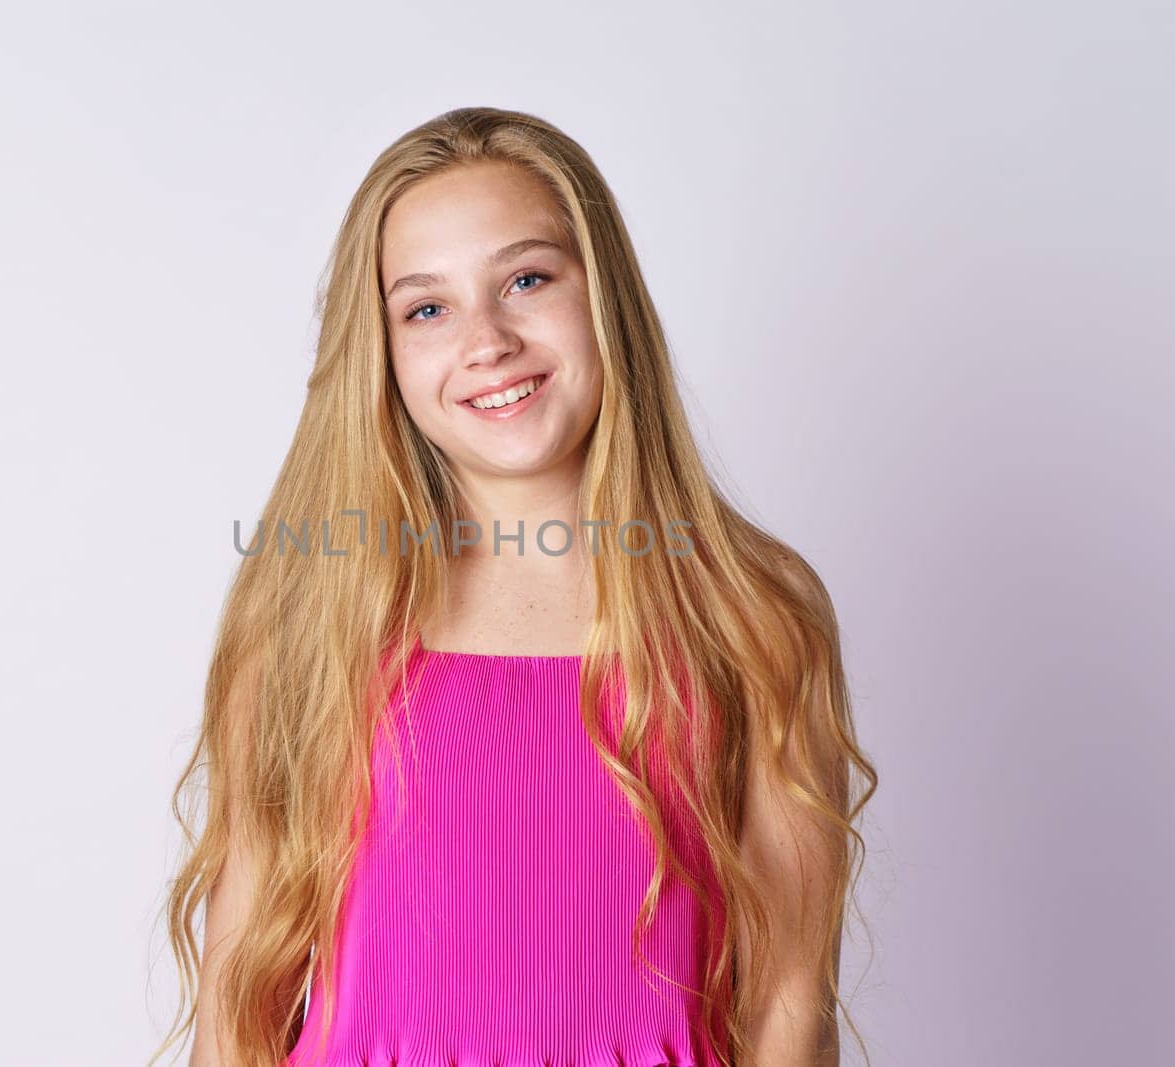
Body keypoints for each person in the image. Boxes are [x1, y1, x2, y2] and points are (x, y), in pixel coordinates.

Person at [153, 106, 878, 1067]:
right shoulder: (310, 615)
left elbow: (789, 996)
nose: (486, 340)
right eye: (427, 308)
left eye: (526, 280)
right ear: (383, 353)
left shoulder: (747, 609)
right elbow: (236, 1001)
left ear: (603, 294)